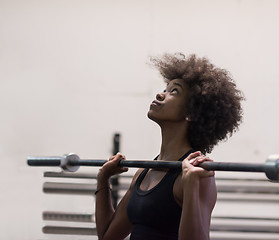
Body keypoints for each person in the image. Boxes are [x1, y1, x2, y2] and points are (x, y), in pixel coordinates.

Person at [95, 53, 244, 240]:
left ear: (191, 112)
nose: (160, 94)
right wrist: (103, 179)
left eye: (174, 91)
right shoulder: (144, 171)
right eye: (166, 88)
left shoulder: (198, 174)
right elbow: (108, 236)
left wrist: (190, 187)